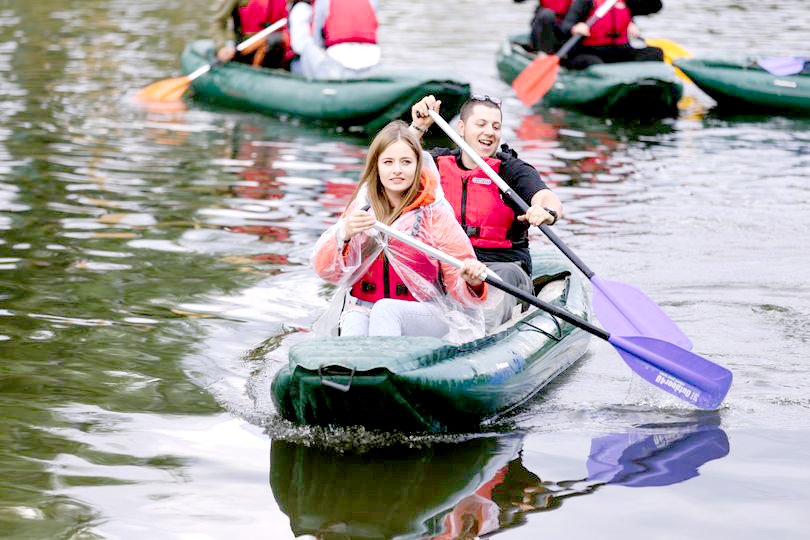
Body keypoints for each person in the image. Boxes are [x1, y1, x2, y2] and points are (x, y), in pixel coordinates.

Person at [311, 121, 490, 342]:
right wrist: (344, 235)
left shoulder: (435, 214)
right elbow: (327, 272)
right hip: (366, 306)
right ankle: (356, 370)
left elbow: (463, 292)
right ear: (377, 167)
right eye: (388, 162)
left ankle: (386, 369)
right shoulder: (362, 209)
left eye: (406, 162)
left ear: (417, 166)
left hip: (427, 313)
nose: (397, 170)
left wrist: (472, 281)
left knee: (386, 310)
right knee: (354, 319)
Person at [409, 95, 563, 328]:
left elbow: (545, 196)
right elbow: (392, 164)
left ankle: (482, 340)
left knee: (498, 284)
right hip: (447, 263)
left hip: (502, 266)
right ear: (461, 128)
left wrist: (546, 211)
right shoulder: (437, 163)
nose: (489, 132)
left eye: (496, 126)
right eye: (481, 124)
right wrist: (418, 127)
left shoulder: (511, 170)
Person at [287, 0, 381, 80]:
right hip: (373, 57)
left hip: (338, 60)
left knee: (308, 49)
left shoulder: (322, 2)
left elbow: (317, 40)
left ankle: (310, 85)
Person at [560, 0, 665, 70]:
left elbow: (656, 6)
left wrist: (631, 24)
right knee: (594, 64)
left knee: (655, 53)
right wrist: (574, 28)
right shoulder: (585, 1)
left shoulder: (627, 1)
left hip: (620, 51)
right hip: (591, 52)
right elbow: (565, 26)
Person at [212, 0, 293, 69]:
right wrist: (221, 46)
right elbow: (219, 21)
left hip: (274, 47)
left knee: (275, 39)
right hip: (244, 46)